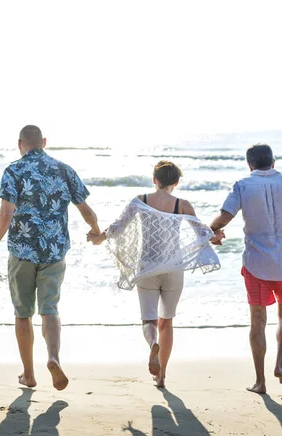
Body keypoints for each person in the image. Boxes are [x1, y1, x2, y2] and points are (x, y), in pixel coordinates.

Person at [88, 161, 222, 388]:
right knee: (166, 322)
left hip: (148, 267)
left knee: (148, 319)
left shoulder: (141, 201)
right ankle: (161, 376)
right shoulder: (183, 205)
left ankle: (152, 345)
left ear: (154, 180)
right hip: (174, 268)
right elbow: (205, 235)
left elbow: (117, 227)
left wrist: (98, 238)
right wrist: (218, 235)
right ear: (176, 182)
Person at [0, 125, 101, 391]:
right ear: (44, 142)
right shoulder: (63, 169)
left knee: (23, 313)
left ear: (20, 144)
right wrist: (96, 231)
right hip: (54, 251)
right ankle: (53, 357)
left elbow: (6, 213)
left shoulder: (14, 171)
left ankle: (28, 374)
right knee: (50, 309)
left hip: (22, 252)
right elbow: (85, 209)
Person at [210, 143, 282, 394]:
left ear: (249, 164)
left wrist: (212, 233)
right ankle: (281, 364)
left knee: (258, 322)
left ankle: (260, 382)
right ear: (273, 162)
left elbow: (224, 218)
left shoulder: (242, 185)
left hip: (255, 264)